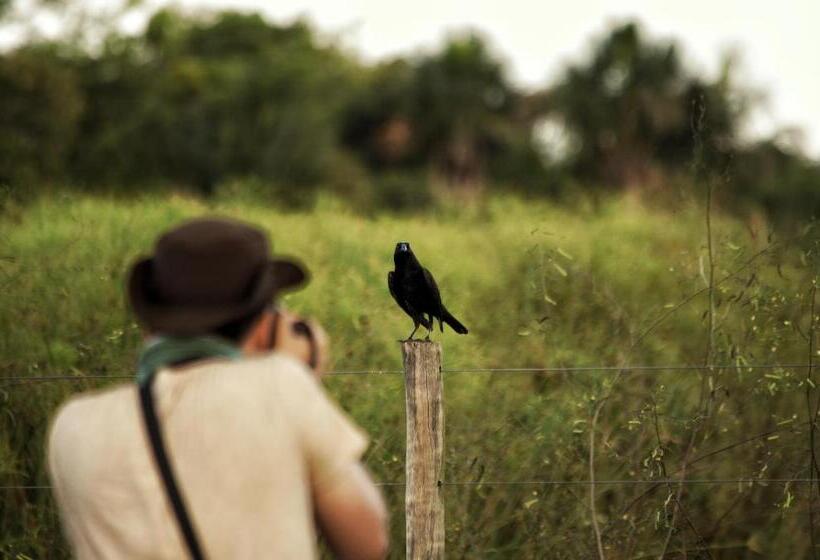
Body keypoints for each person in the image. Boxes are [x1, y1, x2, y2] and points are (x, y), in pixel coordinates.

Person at [46, 217, 389, 559]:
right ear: (262, 324)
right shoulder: (281, 388)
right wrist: (302, 376)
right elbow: (368, 541)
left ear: (153, 320)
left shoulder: (73, 426)